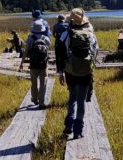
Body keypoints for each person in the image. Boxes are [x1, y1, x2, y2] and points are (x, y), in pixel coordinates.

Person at [56, 7, 98, 139]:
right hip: (86, 71)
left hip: (70, 71)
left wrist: (60, 72)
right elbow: (95, 51)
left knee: (72, 98)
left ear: (71, 21)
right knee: (81, 101)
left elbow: (60, 54)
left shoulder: (66, 34)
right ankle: (78, 131)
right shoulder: (90, 33)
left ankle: (68, 126)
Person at [24, 19, 51, 108]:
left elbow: (26, 51)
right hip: (44, 65)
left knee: (34, 83)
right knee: (43, 83)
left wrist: (23, 61)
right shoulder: (46, 38)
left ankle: (34, 99)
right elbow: (47, 49)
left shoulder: (30, 38)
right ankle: (41, 102)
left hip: (33, 64)